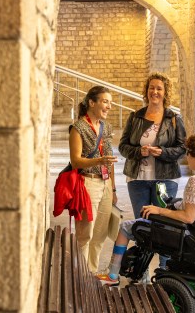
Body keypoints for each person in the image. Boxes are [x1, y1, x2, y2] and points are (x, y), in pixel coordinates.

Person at [96, 133, 195, 286]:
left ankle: (113, 275)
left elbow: (189, 217)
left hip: (184, 232)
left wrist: (159, 210)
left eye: (189, 153)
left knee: (127, 227)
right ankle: (143, 273)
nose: (187, 157)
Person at [118, 72, 186, 267]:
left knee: (164, 226)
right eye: (151, 88)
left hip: (165, 180)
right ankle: (142, 270)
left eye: (159, 88)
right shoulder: (136, 117)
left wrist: (162, 152)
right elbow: (123, 146)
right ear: (146, 91)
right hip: (137, 179)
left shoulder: (173, 118)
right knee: (141, 225)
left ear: (165, 93)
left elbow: (182, 148)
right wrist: (139, 151)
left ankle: (165, 271)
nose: (154, 92)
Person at [69, 86, 118, 272]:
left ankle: (92, 273)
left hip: (105, 184)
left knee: (100, 234)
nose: (109, 106)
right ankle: (80, 277)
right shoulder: (78, 128)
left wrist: (112, 189)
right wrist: (99, 160)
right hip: (87, 183)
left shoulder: (106, 127)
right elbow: (75, 161)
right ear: (92, 102)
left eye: (110, 103)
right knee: (85, 235)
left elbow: (110, 161)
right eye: (105, 101)